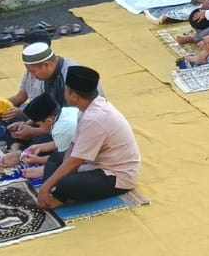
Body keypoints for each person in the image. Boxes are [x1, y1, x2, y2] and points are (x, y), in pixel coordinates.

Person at [35, 66, 140, 208]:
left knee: (66, 183)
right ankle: (56, 192)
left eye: (66, 90)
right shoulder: (91, 107)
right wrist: (51, 185)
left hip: (117, 175)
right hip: (96, 162)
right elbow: (72, 149)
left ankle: (58, 196)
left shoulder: (95, 118)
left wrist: (46, 187)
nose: (64, 93)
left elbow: (75, 161)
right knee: (55, 159)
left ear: (73, 96)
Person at [0, 42, 88, 146]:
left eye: (33, 72)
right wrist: (26, 124)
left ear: (46, 65)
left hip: (82, 127)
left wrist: (38, 131)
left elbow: (73, 121)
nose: (32, 77)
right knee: (14, 122)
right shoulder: (49, 73)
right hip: (59, 120)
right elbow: (49, 106)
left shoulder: (71, 77)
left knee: (39, 143)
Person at [7, 94, 80, 182]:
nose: (37, 127)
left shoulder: (61, 129)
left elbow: (63, 158)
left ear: (49, 121)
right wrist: (39, 147)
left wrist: (38, 160)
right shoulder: (65, 111)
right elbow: (61, 142)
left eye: (38, 125)